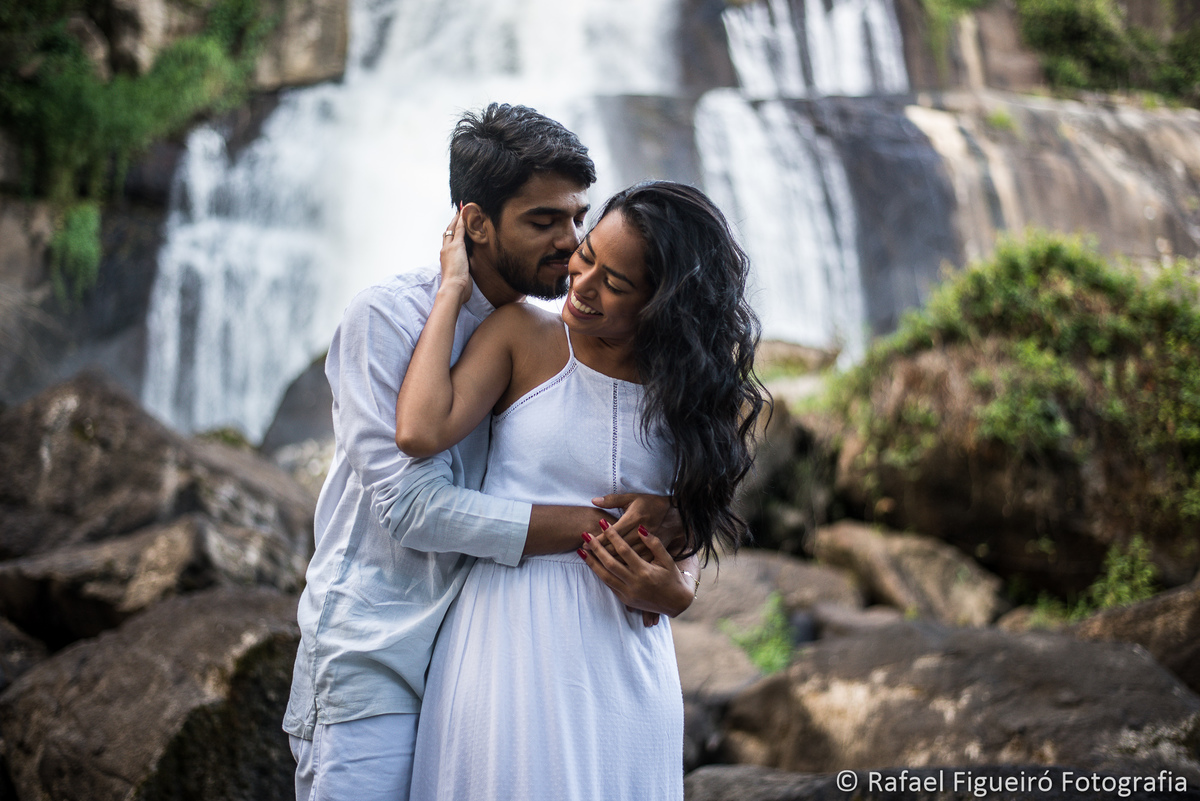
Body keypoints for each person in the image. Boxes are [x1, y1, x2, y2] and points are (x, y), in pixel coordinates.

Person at [282, 104, 694, 801]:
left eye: (576, 218)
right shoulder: (388, 318)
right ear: (475, 222)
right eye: (543, 221)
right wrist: (611, 528)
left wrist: (674, 527)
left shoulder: (564, 335)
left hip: (483, 656)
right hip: (377, 657)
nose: (570, 243)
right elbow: (411, 507)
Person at [396, 180, 766, 799]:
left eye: (614, 283)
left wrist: (677, 591)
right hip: (508, 647)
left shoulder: (696, 396)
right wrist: (452, 291)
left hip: (628, 665)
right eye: (586, 254)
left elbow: (688, 539)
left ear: (667, 303)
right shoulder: (524, 335)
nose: (582, 282)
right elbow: (419, 430)